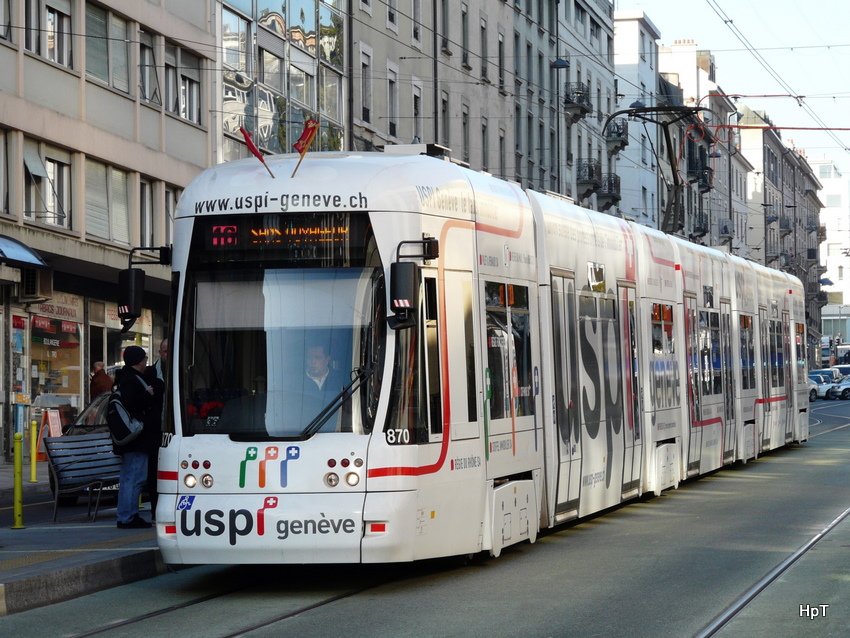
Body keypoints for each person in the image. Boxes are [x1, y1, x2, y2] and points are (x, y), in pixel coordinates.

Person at [114, 346, 161, 529]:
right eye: (144, 358)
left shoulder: (124, 378)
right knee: (134, 478)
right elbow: (135, 405)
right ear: (138, 361)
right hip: (136, 439)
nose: (145, 361)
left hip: (132, 440)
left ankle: (127, 515)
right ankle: (128, 516)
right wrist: (148, 394)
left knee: (130, 477)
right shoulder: (132, 381)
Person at [144, 338, 168, 520]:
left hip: (173, 429)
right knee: (154, 471)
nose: (167, 354)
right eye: (164, 351)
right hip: (155, 430)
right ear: (159, 352)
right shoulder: (150, 372)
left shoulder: (183, 370)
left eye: (170, 351)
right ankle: (155, 510)